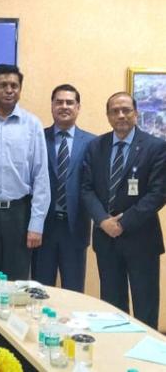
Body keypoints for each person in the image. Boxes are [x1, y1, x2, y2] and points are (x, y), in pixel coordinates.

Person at [81, 92, 165, 329]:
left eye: (126, 110)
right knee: (112, 309)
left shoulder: (156, 147)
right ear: (108, 116)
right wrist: (102, 220)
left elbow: (158, 193)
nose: (121, 115)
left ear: (135, 113)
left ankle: (147, 351)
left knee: (145, 308)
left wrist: (123, 222)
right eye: (115, 111)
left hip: (142, 241)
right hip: (106, 240)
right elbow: (86, 189)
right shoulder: (95, 146)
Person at [0, 64, 50, 280]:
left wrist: (36, 224)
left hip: (19, 214)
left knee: (16, 283)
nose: (9, 90)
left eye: (14, 86)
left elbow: (41, 177)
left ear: (20, 90)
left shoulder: (32, 124)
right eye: (3, 85)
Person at [33, 84, 94, 292]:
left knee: (74, 291)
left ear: (78, 107)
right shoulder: (38, 138)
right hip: (43, 227)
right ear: (52, 106)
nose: (64, 106)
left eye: (69, 102)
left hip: (75, 228)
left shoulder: (92, 143)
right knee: (40, 291)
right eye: (59, 102)